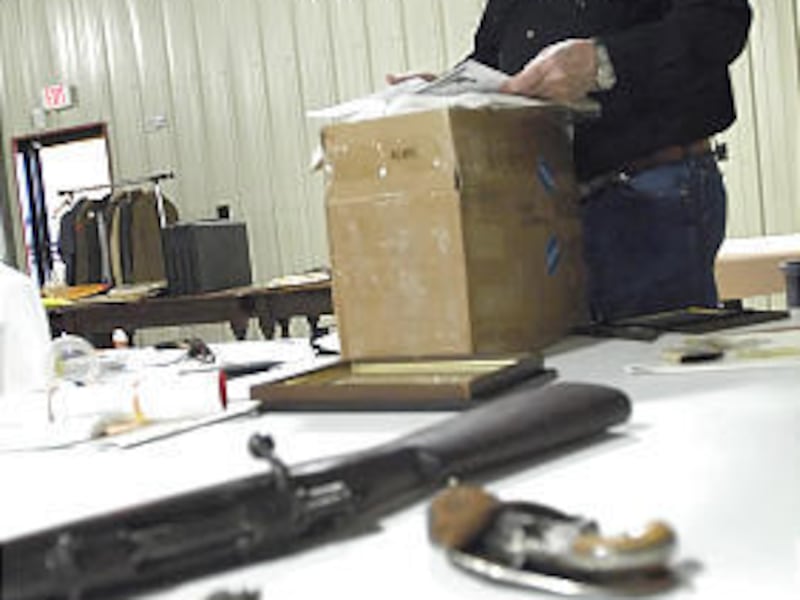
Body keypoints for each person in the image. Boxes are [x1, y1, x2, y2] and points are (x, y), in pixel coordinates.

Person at [392, 0, 753, 321]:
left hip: (648, 197)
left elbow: (719, 21)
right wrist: (446, 88)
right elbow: (495, 59)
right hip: (554, 208)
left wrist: (602, 60)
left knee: (659, 381)